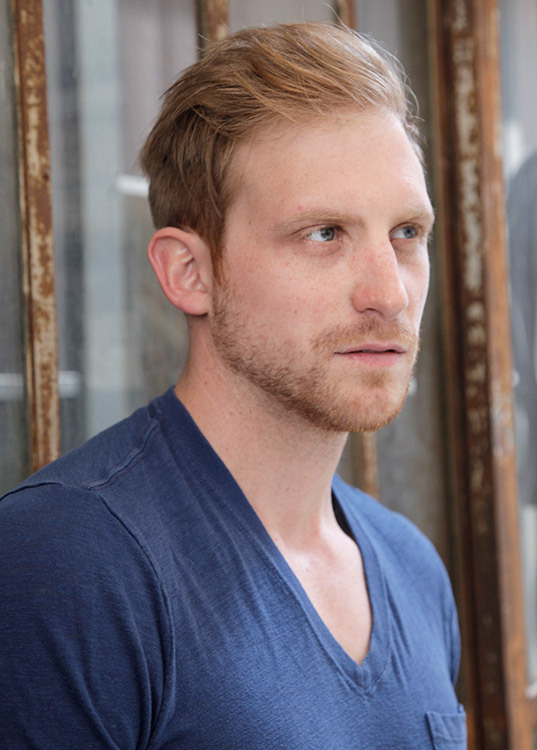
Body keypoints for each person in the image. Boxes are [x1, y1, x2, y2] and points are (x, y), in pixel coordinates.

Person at [0, 23, 466, 749]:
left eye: (406, 233)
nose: (389, 294)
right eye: (324, 234)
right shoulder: (69, 562)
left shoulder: (412, 568)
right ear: (189, 272)